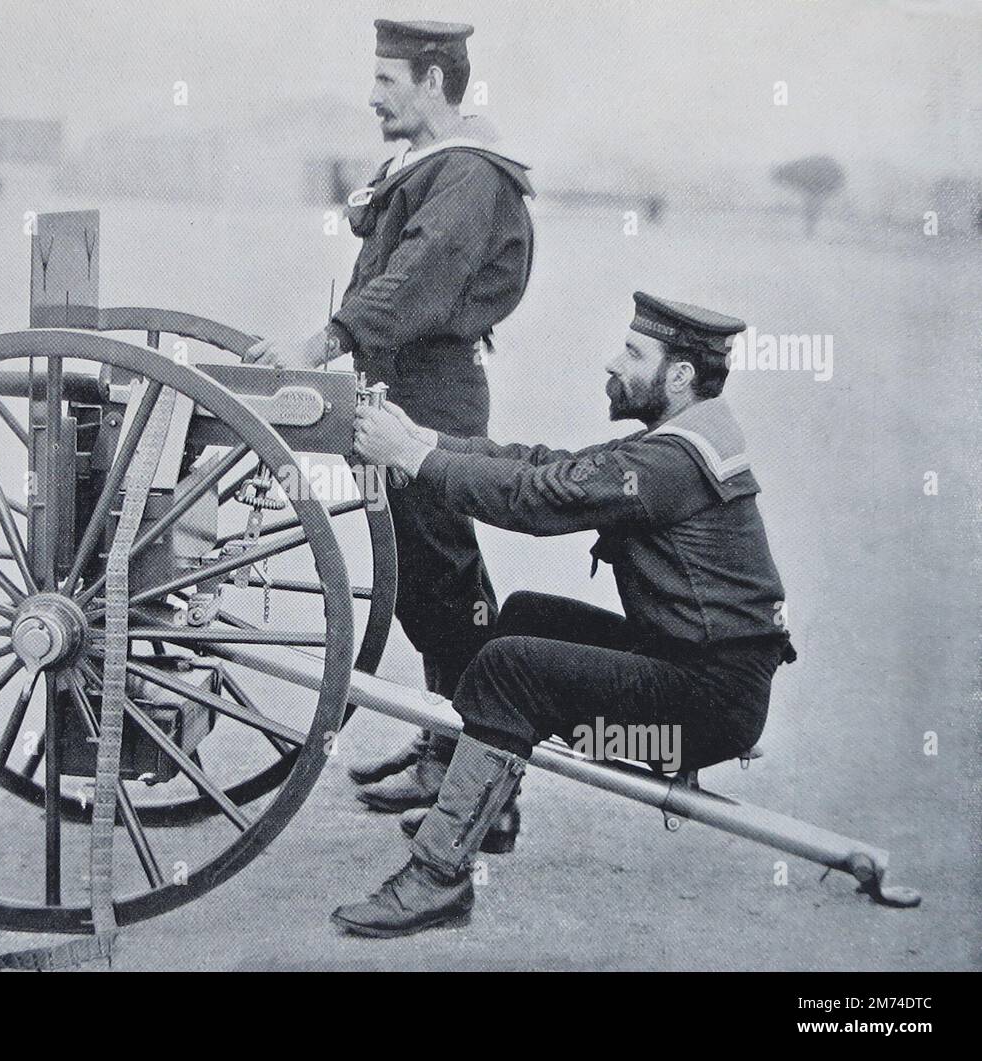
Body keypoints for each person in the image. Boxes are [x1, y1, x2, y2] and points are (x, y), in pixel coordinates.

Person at [331, 292, 796, 937]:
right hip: (702, 673)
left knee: (509, 667)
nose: (613, 363)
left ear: (680, 375)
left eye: (633, 354)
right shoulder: (685, 440)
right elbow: (548, 466)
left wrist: (416, 462)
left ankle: (437, 879)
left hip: (706, 713)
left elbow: (540, 499)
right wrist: (426, 440)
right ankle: (488, 812)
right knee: (523, 617)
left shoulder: (668, 463)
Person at [244, 19, 536, 816]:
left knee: (440, 578)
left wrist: (323, 340)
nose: (373, 98)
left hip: (430, 395)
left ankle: (481, 785)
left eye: (387, 80)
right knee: (424, 579)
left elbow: (414, 277)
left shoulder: (469, 174)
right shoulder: (428, 166)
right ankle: (450, 737)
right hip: (399, 385)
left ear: (433, 81)